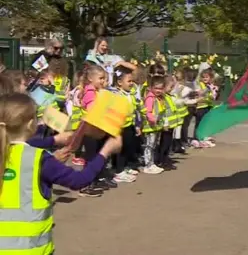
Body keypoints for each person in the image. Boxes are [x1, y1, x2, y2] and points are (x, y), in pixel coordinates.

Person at [0, 93, 122, 254]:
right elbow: (79, 180)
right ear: (31, 124)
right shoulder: (40, 159)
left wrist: (54, 140)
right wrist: (105, 151)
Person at [78, 65, 117, 197]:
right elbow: (93, 110)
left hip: (97, 129)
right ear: (90, 79)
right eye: (100, 78)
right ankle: (85, 185)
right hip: (90, 131)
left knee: (98, 155)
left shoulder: (97, 92)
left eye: (104, 78)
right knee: (91, 157)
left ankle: (97, 179)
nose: (103, 81)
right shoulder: (89, 93)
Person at [109, 65, 142, 182]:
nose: (131, 83)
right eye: (129, 81)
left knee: (128, 147)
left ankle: (125, 167)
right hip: (119, 127)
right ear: (119, 82)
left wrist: (137, 125)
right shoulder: (117, 95)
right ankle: (118, 171)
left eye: (132, 81)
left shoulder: (131, 94)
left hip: (129, 125)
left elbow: (135, 109)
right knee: (120, 149)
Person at [141, 75, 166, 174]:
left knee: (153, 145)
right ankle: (148, 165)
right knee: (149, 146)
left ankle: (152, 163)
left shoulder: (159, 98)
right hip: (150, 126)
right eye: (156, 88)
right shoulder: (150, 98)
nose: (158, 90)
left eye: (160, 88)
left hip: (156, 126)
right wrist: (152, 119)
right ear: (151, 87)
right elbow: (148, 111)